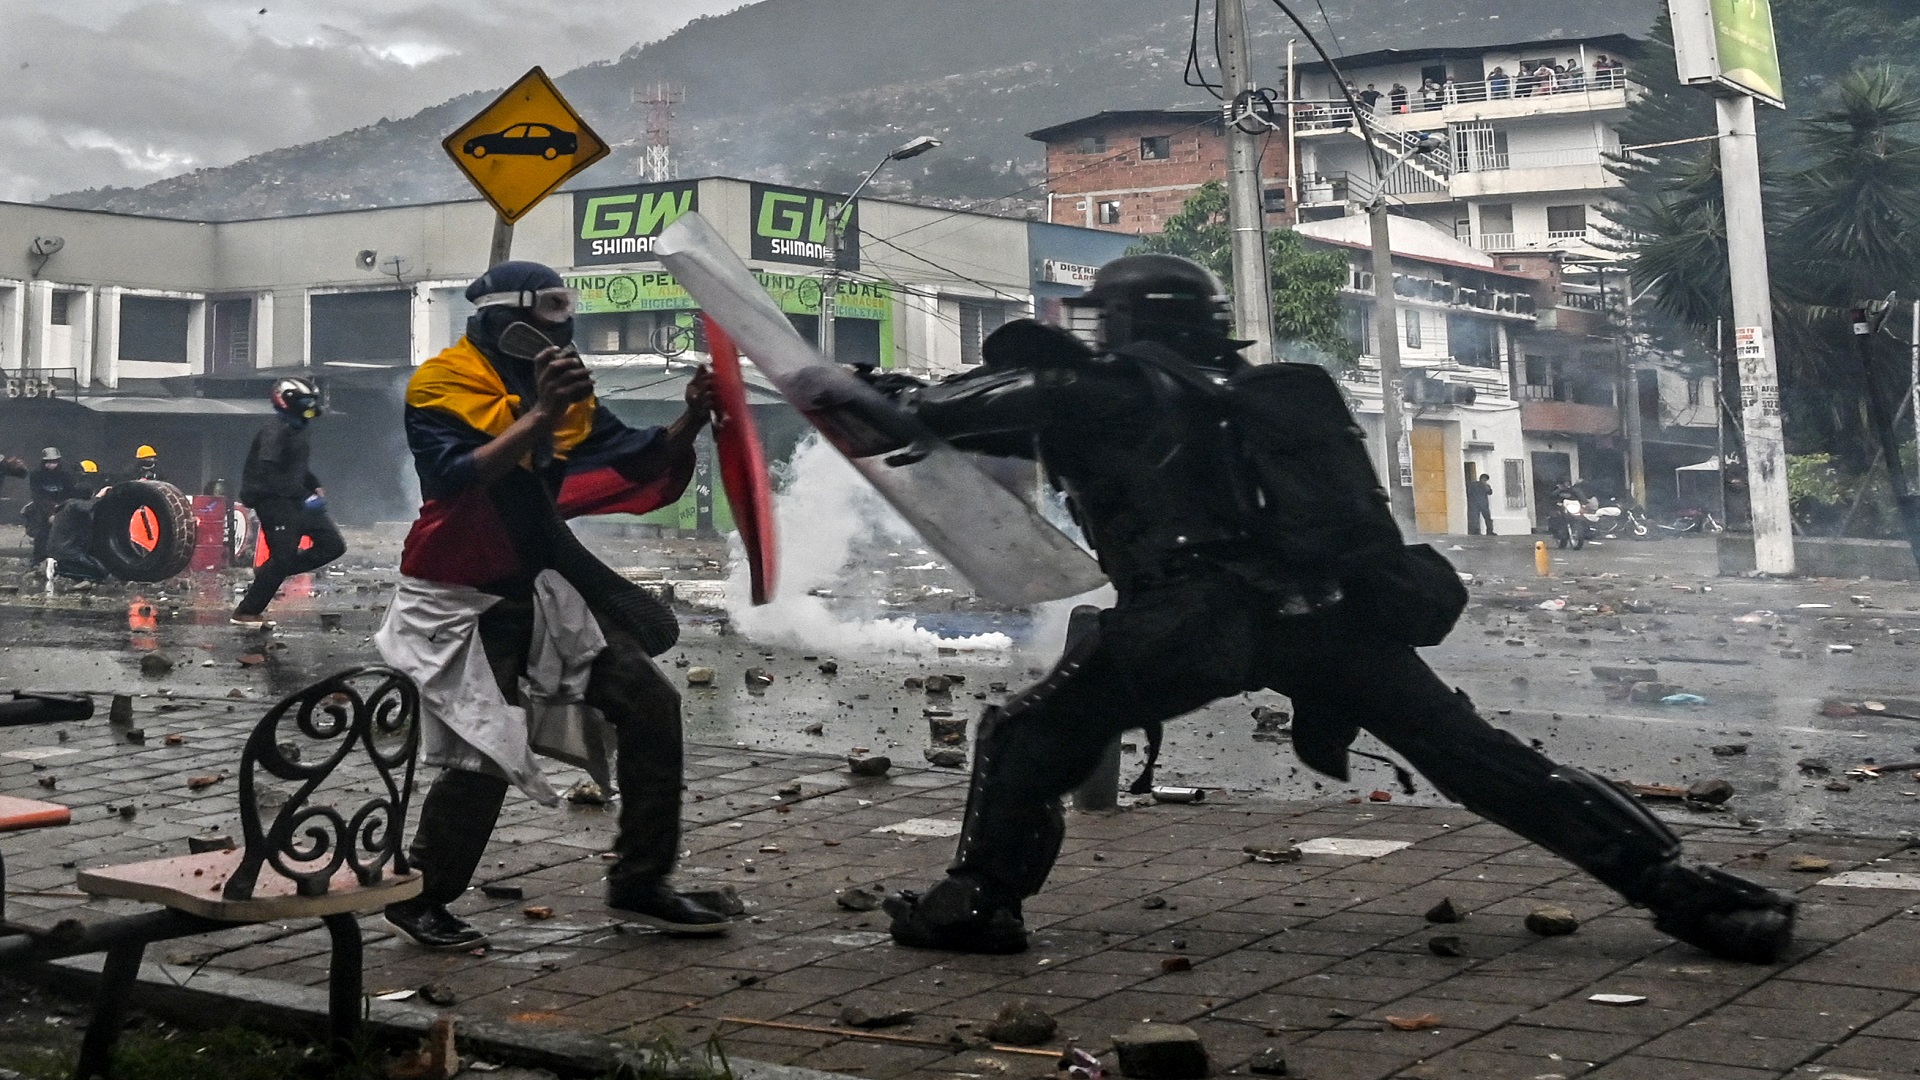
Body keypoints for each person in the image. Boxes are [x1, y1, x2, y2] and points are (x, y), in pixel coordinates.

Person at [873, 254, 1795, 965]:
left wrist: (881, 392)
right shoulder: (1262, 396)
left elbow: (936, 410)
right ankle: (1692, 894)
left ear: (1119, 321)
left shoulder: (1098, 391)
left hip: (1194, 621)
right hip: (1331, 615)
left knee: (1026, 736)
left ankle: (979, 905)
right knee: (1482, 761)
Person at [376, 260, 728, 950]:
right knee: (487, 745)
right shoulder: (443, 382)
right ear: (507, 321)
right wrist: (542, 414)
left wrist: (693, 413)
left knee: (651, 703)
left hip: (536, 583)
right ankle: (423, 896)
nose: (557, 332)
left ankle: (641, 881)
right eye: (546, 315)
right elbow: (454, 475)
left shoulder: (567, 390)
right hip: (459, 592)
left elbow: (632, 457)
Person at [231, 377, 347, 627]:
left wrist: (313, 484)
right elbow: (268, 473)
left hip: (296, 499)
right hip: (272, 501)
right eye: (305, 401)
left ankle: (269, 572)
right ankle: (247, 612)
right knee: (282, 557)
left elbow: (295, 468)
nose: (310, 406)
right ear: (286, 401)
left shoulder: (299, 428)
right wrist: (305, 496)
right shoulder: (275, 430)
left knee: (333, 545)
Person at [1, 448, 75, 562]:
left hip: (62, 507)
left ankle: (62, 559)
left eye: (54, 461)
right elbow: (37, 495)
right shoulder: (37, 474)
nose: (51, 465)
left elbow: (69, 493)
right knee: (41, 533)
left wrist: (60, 509)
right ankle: (38, 558)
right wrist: (49, 512)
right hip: (43, 508)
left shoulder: (66, 475)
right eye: (48, 462)